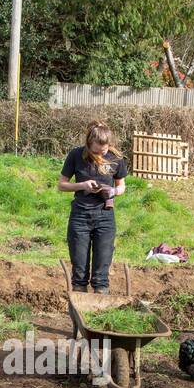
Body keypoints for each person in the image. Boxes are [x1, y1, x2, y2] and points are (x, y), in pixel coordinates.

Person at [58, 122, 128, 294]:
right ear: (89, 143)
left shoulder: (116, 159)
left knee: (102, 268)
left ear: (109, 145)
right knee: (79, 267)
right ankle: (80, 299)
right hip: (80, 216)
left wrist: (113, 191)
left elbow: (122, 186)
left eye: (104, 151)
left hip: (105, 216)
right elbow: (62, 185)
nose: (100, 154)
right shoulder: (76, 155)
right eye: (96, 151)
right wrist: (83, 185)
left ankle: (100, 301)